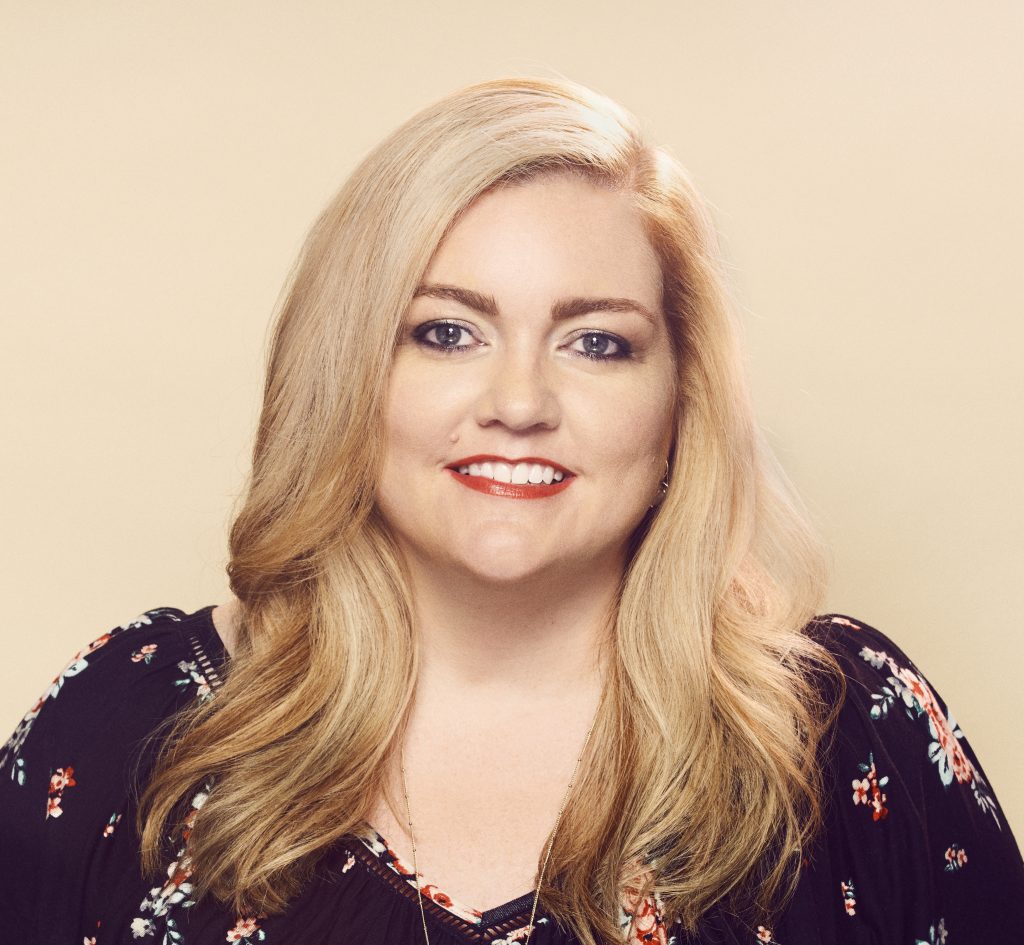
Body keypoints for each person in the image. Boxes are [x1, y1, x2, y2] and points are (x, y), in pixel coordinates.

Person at [1, 76, 1021, 945]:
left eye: (596, 342)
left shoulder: (847, 732)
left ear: (679, 401)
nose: (519, 403)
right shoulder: (128, 723)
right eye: (446, 332)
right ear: (348, 373)